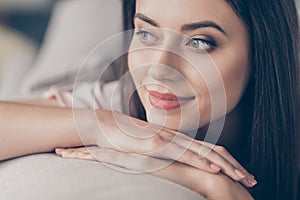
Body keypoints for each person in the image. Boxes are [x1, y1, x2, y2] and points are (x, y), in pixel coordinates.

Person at [0, 0, 298, 199]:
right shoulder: (119, 101)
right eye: (145, 33)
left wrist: (214, 183)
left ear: (263, 54)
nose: (157, 69)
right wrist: (102, 125)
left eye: (199, 42)